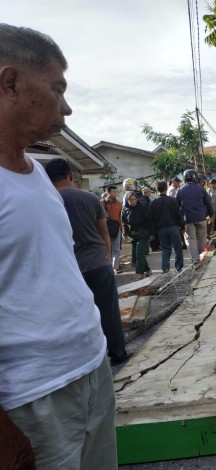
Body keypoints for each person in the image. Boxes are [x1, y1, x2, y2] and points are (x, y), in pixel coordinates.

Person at [0, 24, 116, 469]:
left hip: (90, 368)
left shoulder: (37, 174)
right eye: (57, 89)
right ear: (10, 83)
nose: (66, 108)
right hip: (32, 398)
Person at [45, 158, 129, 365]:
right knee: (108, 310)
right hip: (98, 263)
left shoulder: (47, 201)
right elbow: (104, 232)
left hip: (68, 269)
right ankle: (118, 353)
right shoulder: (90, 198)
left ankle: (88, 360)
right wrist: (108, 258)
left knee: (76, 316)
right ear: (71, 176)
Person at [176, 169, 213, 264]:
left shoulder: (180, 190)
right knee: (202, 239)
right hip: (201, 218)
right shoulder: (201, 189)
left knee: (190, 239)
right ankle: (202, 258)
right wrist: (211, 215)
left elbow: (177, 207)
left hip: (188, 220)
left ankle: (195, 260)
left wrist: (180, 223)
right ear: (195, 178)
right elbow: (209, 204)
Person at [147, 181, 185, 273]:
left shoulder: (154, 203)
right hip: (173, 227)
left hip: (161, 229)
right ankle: (179, 268)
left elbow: (150, 218)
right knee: (178, 248)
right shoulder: (172, 200)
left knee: (165, 249)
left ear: (157, 190)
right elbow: (179, 214)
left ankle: (165, 268)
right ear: (166, 188)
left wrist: (152, 232)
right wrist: (182, 227)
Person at [122, 191, 153, 279]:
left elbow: (149, 221)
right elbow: (124, 223)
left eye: (134, 199)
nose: (133, 201)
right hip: (132, 235)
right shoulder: (125, 210)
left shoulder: (142, 208)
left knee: (139, 253)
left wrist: (151, 233)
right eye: (130, 200)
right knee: (139, 254)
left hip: (143, 233)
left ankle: (140, 273)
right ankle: (148, 270)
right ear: (127, 200)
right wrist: (125, 235)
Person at [102, 184, 123, 273]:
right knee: (107, 249)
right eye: (113, 191)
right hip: (105, 229)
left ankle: (116, 267)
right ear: (108, 192)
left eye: (116, 191)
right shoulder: (102, 203)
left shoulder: (118, 203)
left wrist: (122, 228)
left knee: (116, 249)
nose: (115, 193)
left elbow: (120, 217)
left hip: (116, 227)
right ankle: (108, 268)